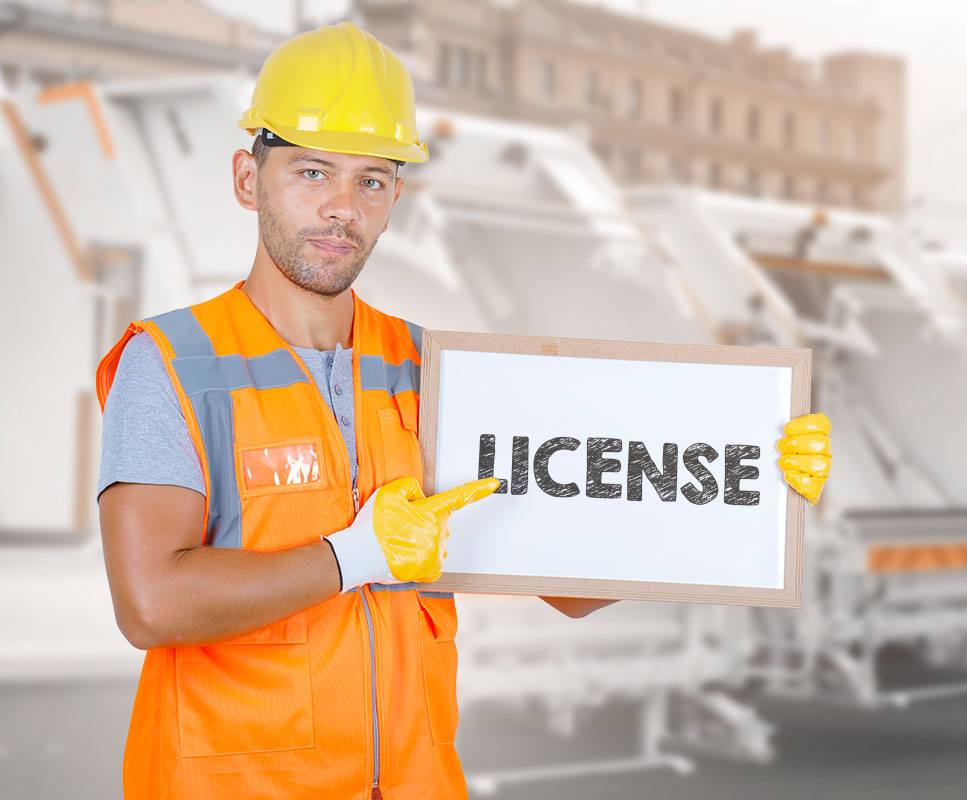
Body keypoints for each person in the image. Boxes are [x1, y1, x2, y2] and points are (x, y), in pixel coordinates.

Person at [94, 21, 833, 800]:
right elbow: (151, 603)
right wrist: (354, 559)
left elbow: (571, 586)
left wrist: (734, 486)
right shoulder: (174, 364)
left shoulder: (437, 372)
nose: (342, 208)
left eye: (371, 181)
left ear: (394, 199)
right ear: (249, 179)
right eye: (313, 172)